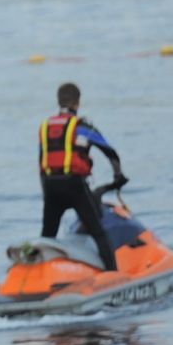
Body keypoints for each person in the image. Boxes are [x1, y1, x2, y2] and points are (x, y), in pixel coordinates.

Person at [38, 83, 126, 271]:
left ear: (58, 101)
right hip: (74, 186)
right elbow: (110, 152)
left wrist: (47, 193)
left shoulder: (45, 127)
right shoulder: (82, 127)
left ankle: (39, 277)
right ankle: (113, 274)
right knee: (98, 232)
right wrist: (119, 177)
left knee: (47, 236)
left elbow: (42, 161)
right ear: (78, 103)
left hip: (50, 187)